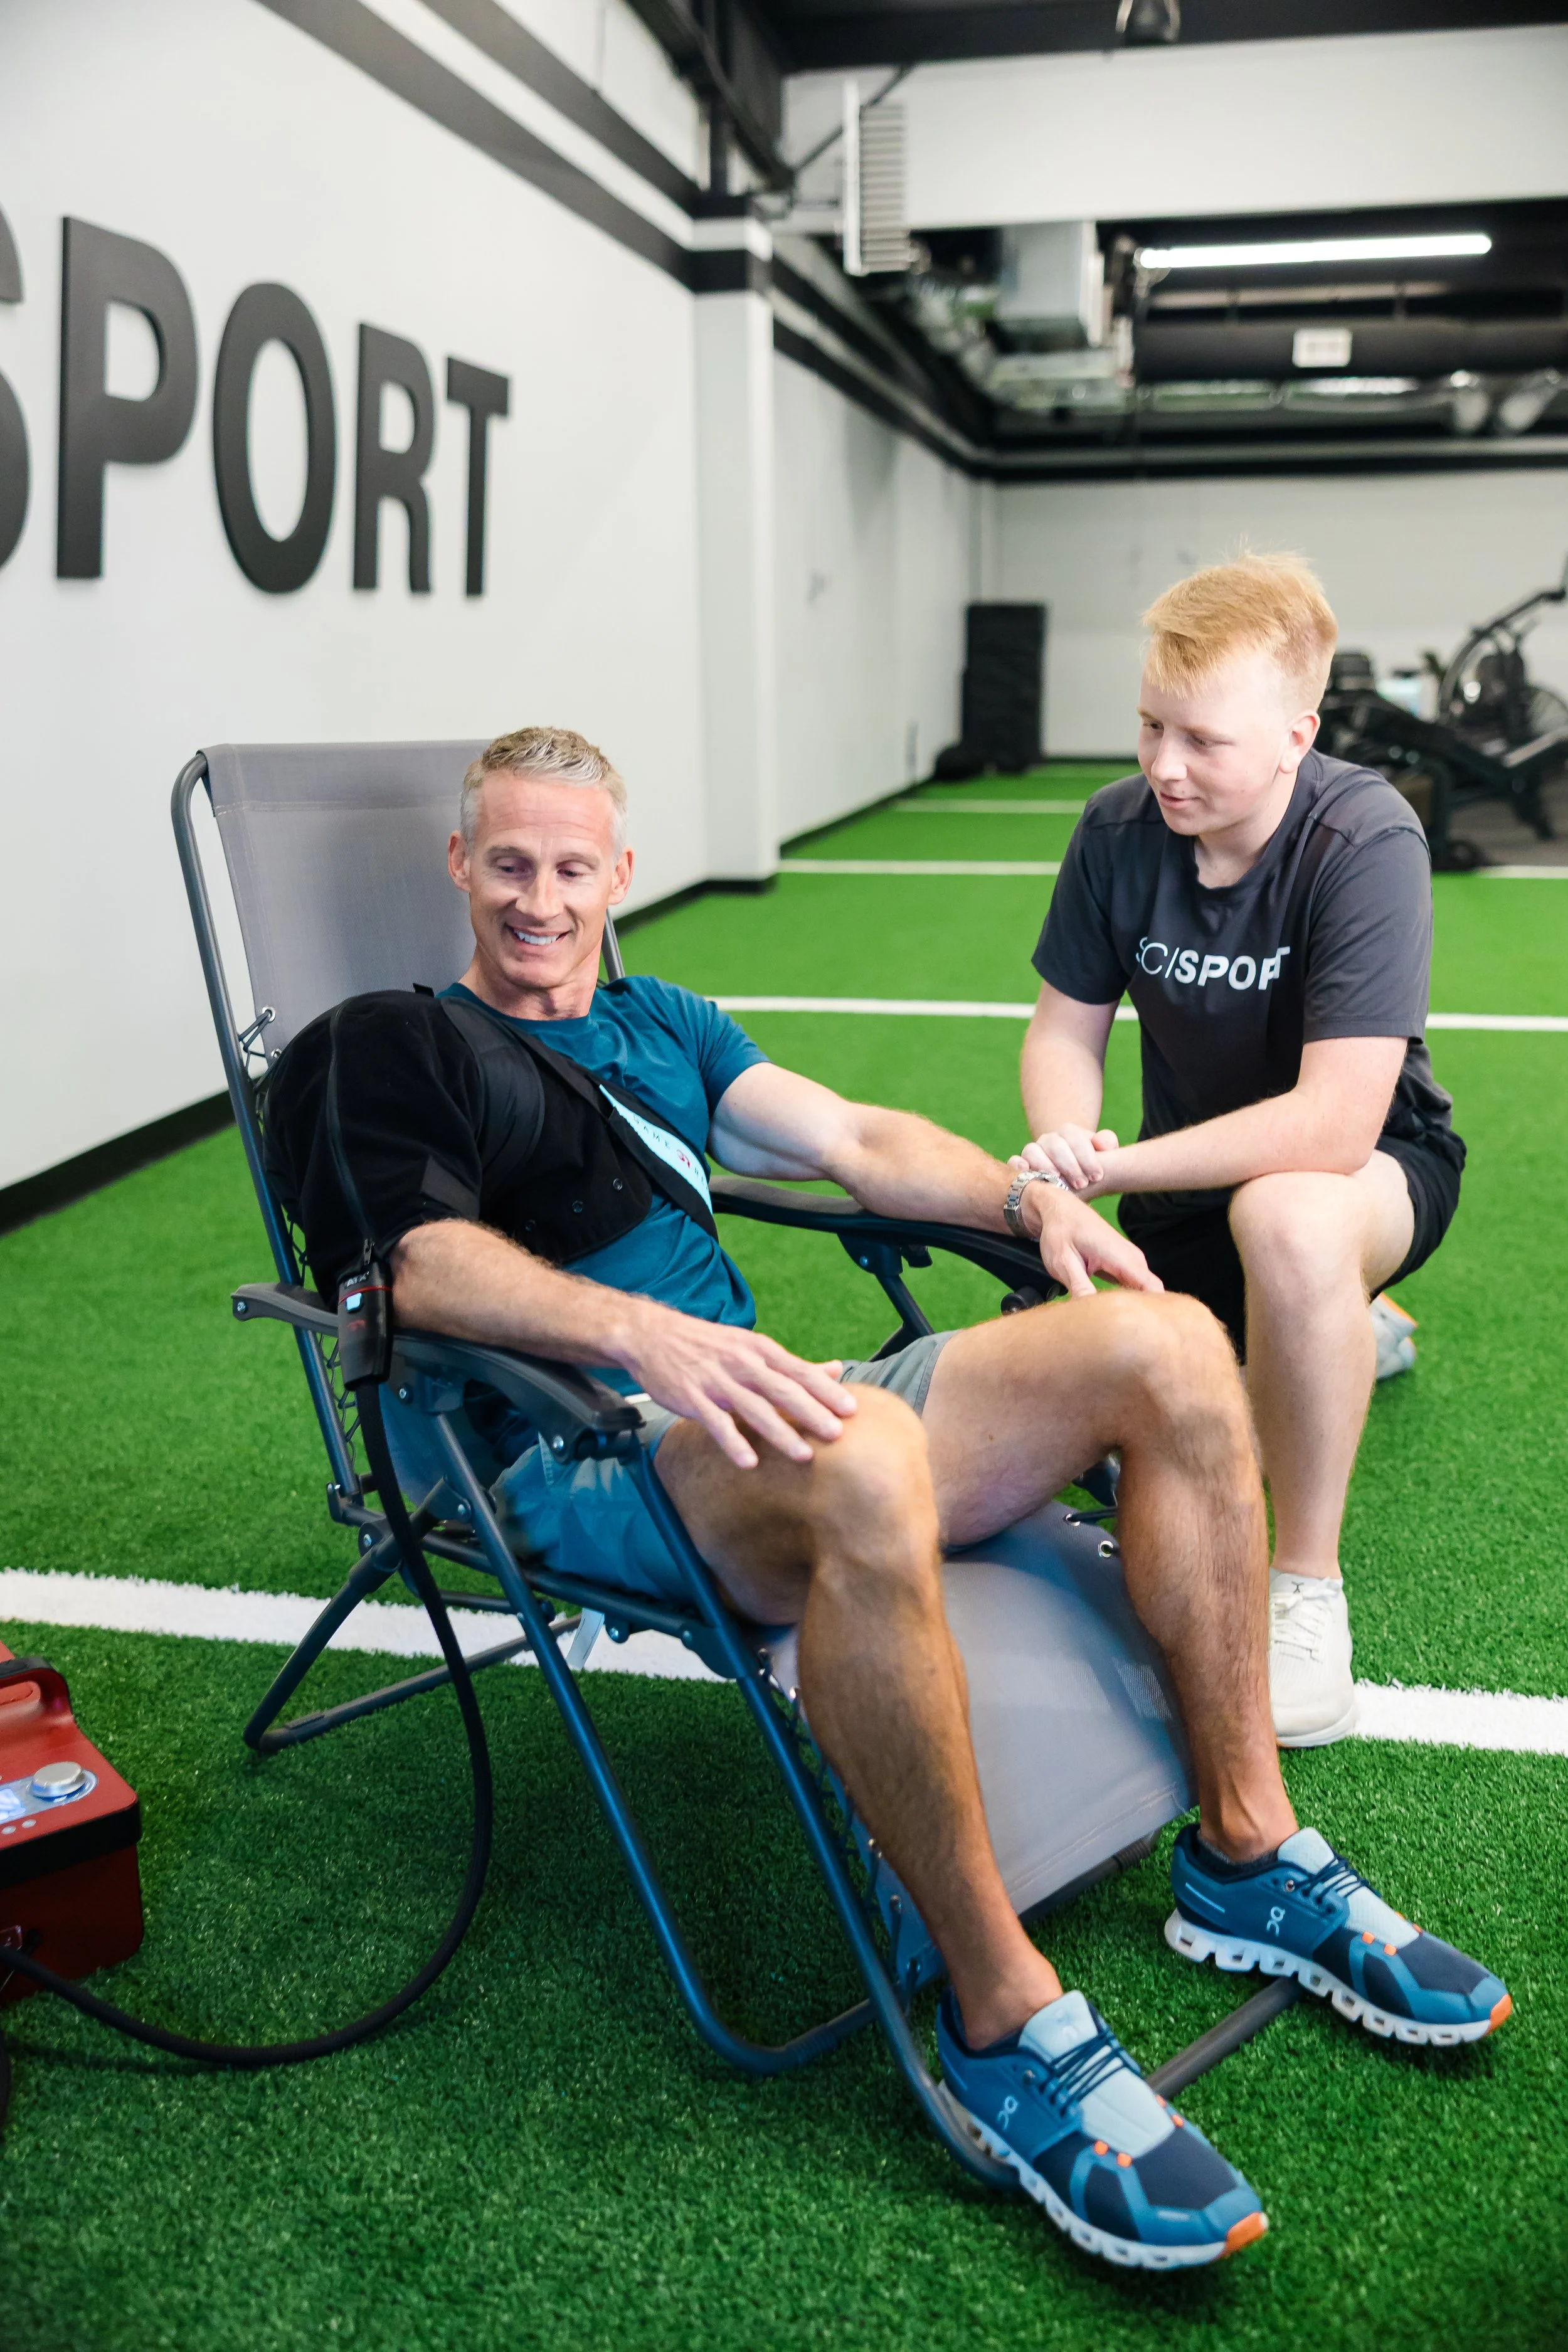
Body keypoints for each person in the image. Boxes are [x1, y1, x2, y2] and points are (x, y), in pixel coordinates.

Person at [264, 724, 1506, 2273]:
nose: (537, 899)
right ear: (461, 866)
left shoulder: (667, 1022)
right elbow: (417, 1264)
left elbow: (853, 1139)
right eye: (506, 863)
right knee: (851, 1453)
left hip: (772, 1404)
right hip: (582, 1442)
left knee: (1174, 1347)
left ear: (617, 875)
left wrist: (1022, 1197)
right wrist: (642, 1328)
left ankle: (1244, 1854)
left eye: (570, 867)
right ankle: (1002, 2013)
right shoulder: (390, 1042)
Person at [1019, 556, 1465, 1749]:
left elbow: (1334, 1125)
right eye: (1151, 725)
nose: (1165, 764)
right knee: (1058, 1347)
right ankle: (1322, 1324)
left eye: (1202, 740)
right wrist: (1062, 1151)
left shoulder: (1365, 834)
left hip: (1371, 1169)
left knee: (1287, 1221)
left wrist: (1108, 1174)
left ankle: (1306, 1585)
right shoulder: (1118, 827)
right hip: (1182, 1173)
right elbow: (1066, 1028)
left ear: (1295, 734)